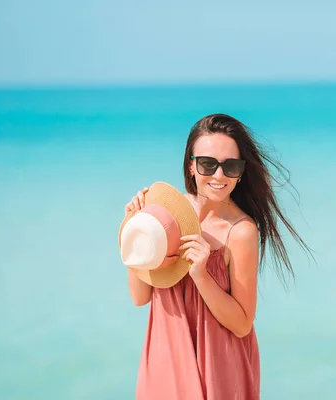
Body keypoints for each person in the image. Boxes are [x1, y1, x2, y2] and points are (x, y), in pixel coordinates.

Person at [123, 113, 312, 399]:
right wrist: (135, 228)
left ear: (241, 171)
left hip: (218, 367)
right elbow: (140, 297)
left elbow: (242, 323)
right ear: (191, 166)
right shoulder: (165, 214)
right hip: (165, 360)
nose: (219, 176)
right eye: (208, 164)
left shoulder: (241, 231)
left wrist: (201, 275)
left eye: (230, 166)